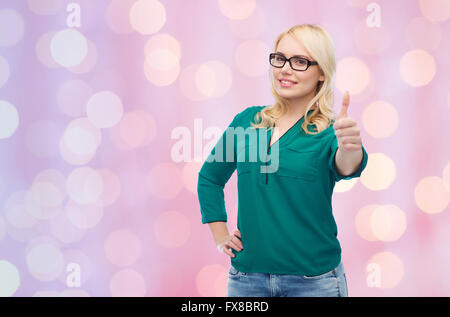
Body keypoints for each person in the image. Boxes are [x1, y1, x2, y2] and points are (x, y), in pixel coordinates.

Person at [197, 24, 368, 297]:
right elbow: (209, 178)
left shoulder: (329, 130)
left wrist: (350, 145)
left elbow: (347, 166)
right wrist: (220, 236)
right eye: (280, 58)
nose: (285, 69)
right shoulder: (248, 122)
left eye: (300, 61)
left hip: (314, 282)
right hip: (246, 281)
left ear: (322, 72)